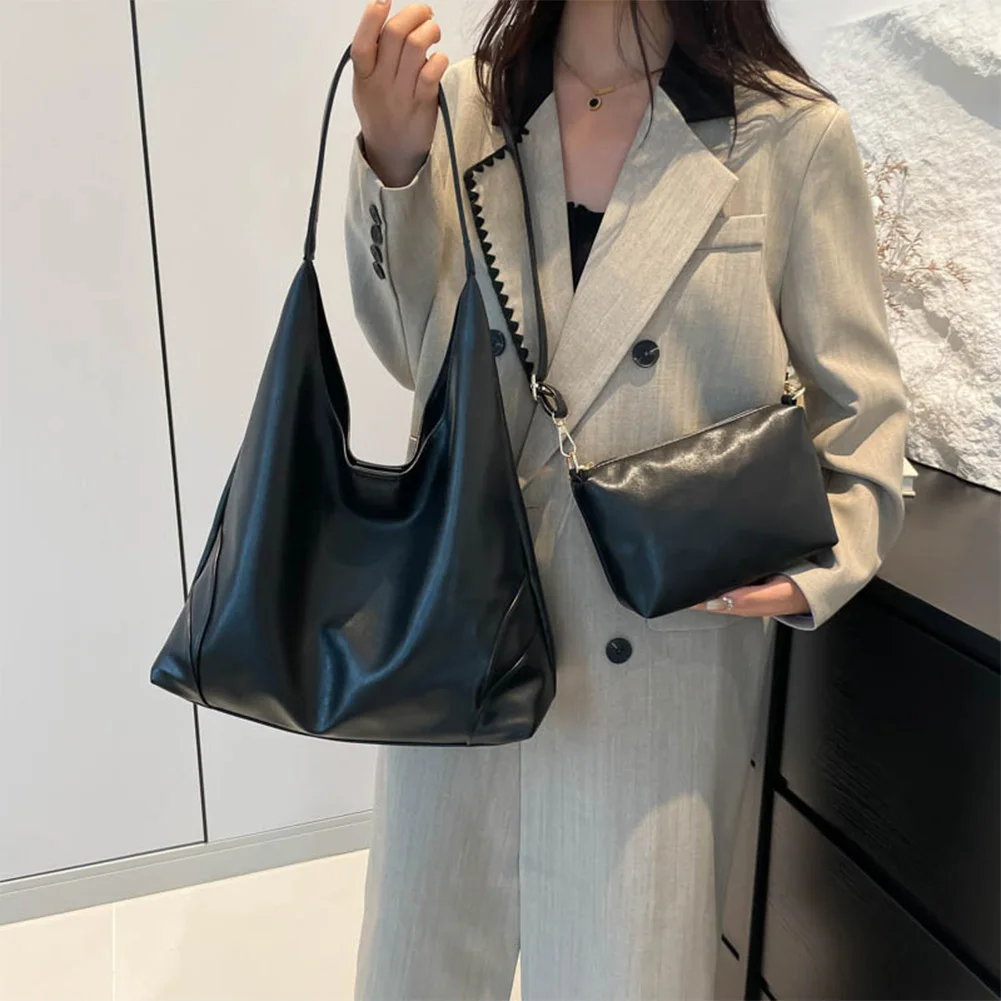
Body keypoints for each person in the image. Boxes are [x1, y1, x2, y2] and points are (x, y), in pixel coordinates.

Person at [345, 1, 908, 997]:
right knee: (422, 958)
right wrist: (392, 160)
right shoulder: (468, 107)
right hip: (459, 625)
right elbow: (411, 352)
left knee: (626, 971)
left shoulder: (786, 134)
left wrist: (815, 565)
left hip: (657, 652)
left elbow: (858, 409)